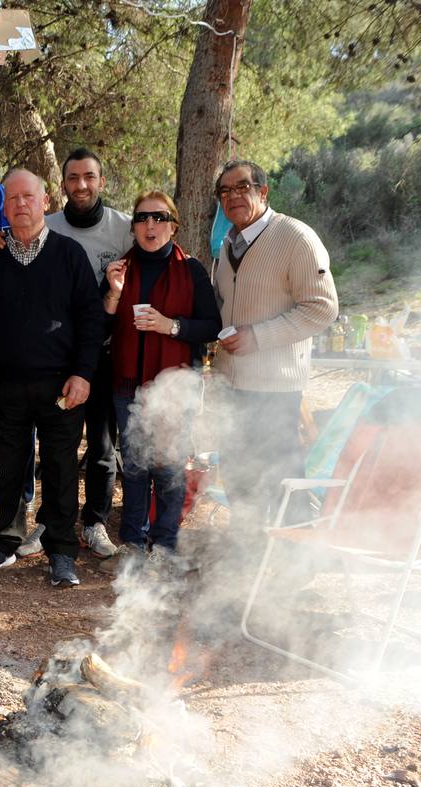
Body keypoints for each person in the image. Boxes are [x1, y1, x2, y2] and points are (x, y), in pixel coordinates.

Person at [0, 169, 104, 588]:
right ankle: (3, 543)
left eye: (29, 197)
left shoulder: (69, 255)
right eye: (13, 198)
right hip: (3, 386)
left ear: (45, 202)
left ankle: (60, 551)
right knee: (5, 466)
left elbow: (91, 322)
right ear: (4, 206)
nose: (20, 204)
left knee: (59, 468)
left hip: (61, 387)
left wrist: (83, 374)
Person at [212, 160, 338, 531]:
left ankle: (295, 567)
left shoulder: (296, 238)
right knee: (238, 474)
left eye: (242, 188)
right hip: (232, 384)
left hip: (275, 387)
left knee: (282, 478)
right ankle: (246, 556)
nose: (233, 197)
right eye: (225, 191)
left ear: (263, 192)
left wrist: (259, 336)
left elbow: (323, 308)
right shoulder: (226, 246)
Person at [98, 191, 221, 568]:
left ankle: (165, 544)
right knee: (133, 466)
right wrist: (113, 295)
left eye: (159, 217)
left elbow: (212, 326)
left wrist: (171, 326)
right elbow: (99, 325)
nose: (150, 225)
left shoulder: (192, 270)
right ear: (133, 226)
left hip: (173, 386)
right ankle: (133, 543)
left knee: (167, 467)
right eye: (142, 218)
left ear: (173, 225)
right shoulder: (120, 269)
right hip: (127, 384)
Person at [44, 147, 134, 563]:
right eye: (73, 178)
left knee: (100, 443)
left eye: (89, 177)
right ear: (62, 183)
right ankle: (49, 521)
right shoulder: (47, 228)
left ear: (101, 181)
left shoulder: (124, 229)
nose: (81, 185)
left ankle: (95, 521)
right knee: (57, 443)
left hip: (104, 353)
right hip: (57, 355)